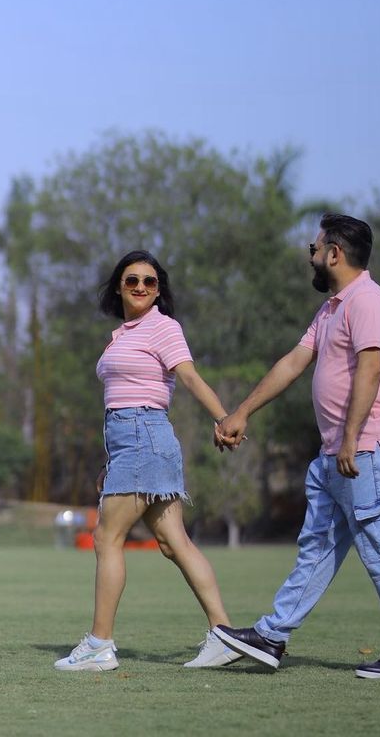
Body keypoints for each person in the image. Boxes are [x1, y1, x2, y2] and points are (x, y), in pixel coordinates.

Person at [214, 214, 380, 678]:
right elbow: (293, 363)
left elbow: (370, 370)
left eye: (314, 248)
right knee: (317, 548)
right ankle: (273, 636)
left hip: (366, 451)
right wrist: (242, 411)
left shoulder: (368, 300)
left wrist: (351, 437)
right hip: (336, 454)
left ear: (335, 253)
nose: (310, 256)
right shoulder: (332, 308)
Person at [54, 250, 241, 672]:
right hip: (134, 443)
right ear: (118, 286)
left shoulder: (162, 327)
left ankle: (99, 645)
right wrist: (112, 458)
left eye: (150, 282)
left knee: (106, 538)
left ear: (159, 291)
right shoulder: (123, 334)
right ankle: (225, 635)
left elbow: (189, 375)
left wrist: (224, 419)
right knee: (174, 542)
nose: (141, 286)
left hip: (144, 437)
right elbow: (120, 401)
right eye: (132, 279)